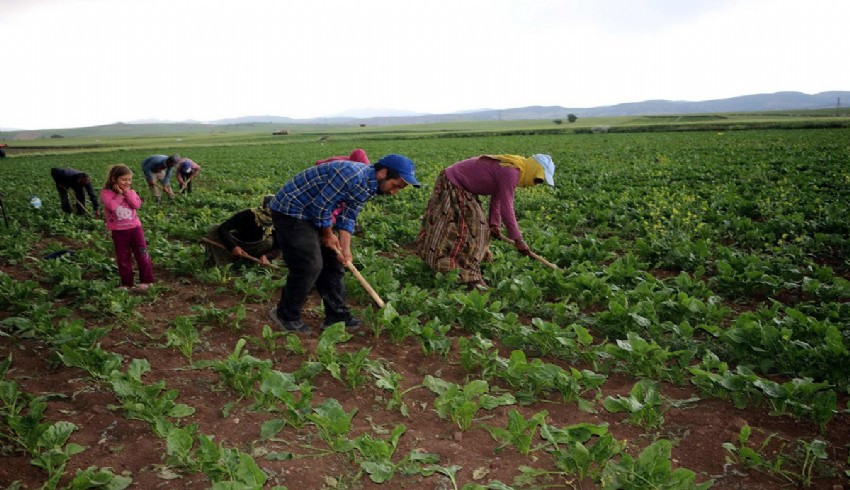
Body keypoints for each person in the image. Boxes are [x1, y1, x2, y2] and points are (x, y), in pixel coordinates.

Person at [268, 154, 419, 333]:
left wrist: (345, 250)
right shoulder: (350, 175)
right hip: (291, 210)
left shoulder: (369, 186)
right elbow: (321, 207)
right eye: (395, 185)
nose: (394, 192)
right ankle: (286, 314)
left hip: (313, 212)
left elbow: (348, 216)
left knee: (335, 263)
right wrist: (327, 234)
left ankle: (337, 316)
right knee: (309, 264)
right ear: (383, 173)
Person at [416, 153, 555, 290]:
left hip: (459, 185)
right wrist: (518, 240)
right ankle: (471, 278)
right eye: (538, 180)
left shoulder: (515, 168)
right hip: (453, 183)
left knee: (471, 228)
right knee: (477, 231)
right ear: (533, 170)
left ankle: (455, 266)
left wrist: (494, 224)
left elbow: (498, 198)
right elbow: (507, 209)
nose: (535, 184)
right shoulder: (512, 172)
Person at [101, 164, 154, 291]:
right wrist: (119, 195)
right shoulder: (106, 193)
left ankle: (147, 281)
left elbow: (136, 205)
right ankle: (127, 284)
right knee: (123, 258)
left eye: (129, 179)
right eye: (124, 179)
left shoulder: (131, 192)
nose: (127, 182)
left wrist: (126, 192)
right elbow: (112, 206)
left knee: (142, 254)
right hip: (119, 231)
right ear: (114, 179)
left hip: (135, 229)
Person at [203, 195, 281, 267]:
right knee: (215, 229)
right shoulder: (248, 214)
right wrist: (234, 247)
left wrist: (266, 256)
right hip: (239, 242)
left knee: (269, 242)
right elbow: (223, 228)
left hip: (258, 248)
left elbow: (278, 247)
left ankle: (250, 260)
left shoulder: (278, 221)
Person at [315, 148, 370, 225]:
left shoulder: (361, 171)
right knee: (330, 204)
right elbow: (326, 203)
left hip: (329, 176)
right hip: (323, 178)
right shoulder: (347, 172)